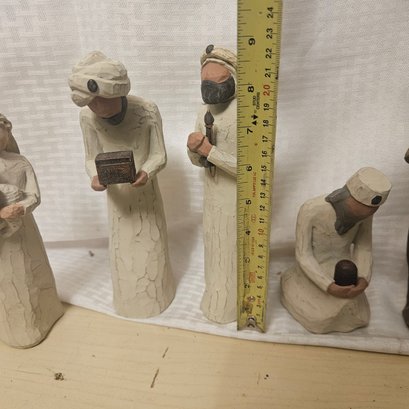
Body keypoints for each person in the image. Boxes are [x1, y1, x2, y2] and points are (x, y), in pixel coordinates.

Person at [68, 51, 175, 318]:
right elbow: (91, 156)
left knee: (149, 244)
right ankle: (128, 298)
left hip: (145, 195)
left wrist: (146, 173)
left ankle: (158, 295)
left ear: (117, 90)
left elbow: (159, 154)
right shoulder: (87, 117)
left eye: (101, 100)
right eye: (91, 103)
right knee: (124, 250)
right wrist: (94, 176)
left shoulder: (146, 110)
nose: (96, 108)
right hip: (117, 199)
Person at [281, 167, 391, 333]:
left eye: (371, 211)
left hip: (344, 275)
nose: (365, 216)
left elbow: (364, 247)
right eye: (360, 209)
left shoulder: (366, 215)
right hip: (311, 272)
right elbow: (303, 254)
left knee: (359, 314)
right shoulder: (311, 210)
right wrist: (328, 285)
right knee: (320, 317)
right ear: (348, 197)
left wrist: (363, 277)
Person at [0, 114, 63, 348]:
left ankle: (48, 312)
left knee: (33, 269)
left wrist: (21, 208)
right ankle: (20, 327)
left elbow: (34, 195)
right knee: (11, 278)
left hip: (25, 228)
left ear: (8, 132)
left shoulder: (20, 162)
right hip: (4, 237)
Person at [187, 45, 237, 323]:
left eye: (218, 81)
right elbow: (199, 161)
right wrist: (195, 150)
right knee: (214, 247)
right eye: (205, 82)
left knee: (230, 249)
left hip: (236, 198)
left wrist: (210, 151)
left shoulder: (246, 112)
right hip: (212, 193)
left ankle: (230, 301)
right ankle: (215, 294)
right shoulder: (203, 111)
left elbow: (250, 170)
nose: (210, 89)